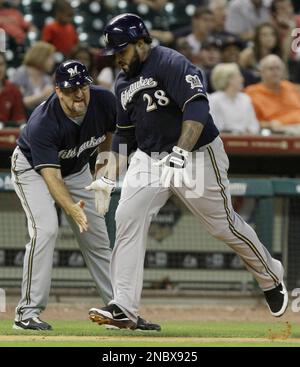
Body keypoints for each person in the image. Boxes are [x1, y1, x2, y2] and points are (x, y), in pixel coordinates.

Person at [87, 14, 288, 330]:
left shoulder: (170, 62)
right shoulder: (123, 81)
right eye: (114, 54)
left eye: (122, 50)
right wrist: (108, 173)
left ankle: (271, 275)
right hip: (150, 158)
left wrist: (181, 151)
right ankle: (123, 306)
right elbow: (124, 133)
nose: (119, 59)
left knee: (222, 226)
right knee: (127, 217)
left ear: (141, 42)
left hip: (195, 154)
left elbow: (196, 107)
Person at [11, 59, 159, 331]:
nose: (79, 93)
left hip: (77, 169)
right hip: (33, 170)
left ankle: (120, 311)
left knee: (99, 240)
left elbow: (113, 133)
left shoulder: (103, 100)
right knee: (45, 230)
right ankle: (27, 313)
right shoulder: (43, 122)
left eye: (82, 86)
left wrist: (102, 172)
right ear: (57, 90)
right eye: (71, 89)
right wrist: (72, 208)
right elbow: (51, 177)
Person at [245, 54, 300, 131]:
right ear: (262, 72)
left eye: (278, 68)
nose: (275, 72)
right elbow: (248, 122)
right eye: (271, 69)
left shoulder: (290, 87)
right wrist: (268, 125)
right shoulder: (251, 92)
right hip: (276, 133)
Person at [209, 63, 260, 134]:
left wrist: (249, 132)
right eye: (238, 76)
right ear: (229, 79)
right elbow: (215, 127)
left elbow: (254, 125)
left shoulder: (246, 99)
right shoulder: (214, 99)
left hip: (246, 140)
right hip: (225, 141)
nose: (242, 79)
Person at [10, 41, 56, 117]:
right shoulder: (21, 73)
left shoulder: (46, 78)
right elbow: (18, 103)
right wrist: (42, 96)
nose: (53, 62)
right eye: (50, 58)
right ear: (41, 57)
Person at [0, 52, 26, 127]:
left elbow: (20, 120)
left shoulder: (14, 90)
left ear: (5, 66)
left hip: (7, 135)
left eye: (1, 64)